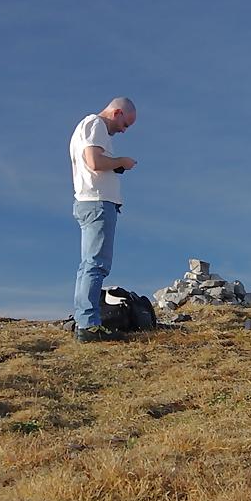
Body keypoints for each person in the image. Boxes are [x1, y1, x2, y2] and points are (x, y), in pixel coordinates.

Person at [69, 97, 138, 341]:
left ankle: (85, 322)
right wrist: (122, 162)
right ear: (117, 112)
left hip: (92, 202)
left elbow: (95, 163)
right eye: (125, 124)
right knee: (95, 265)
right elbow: (94, 162)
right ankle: (89, 326)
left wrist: (115, 166)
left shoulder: (90, 127)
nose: (123, 130)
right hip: (97, 204)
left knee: (89, 265)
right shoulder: (94, 124)